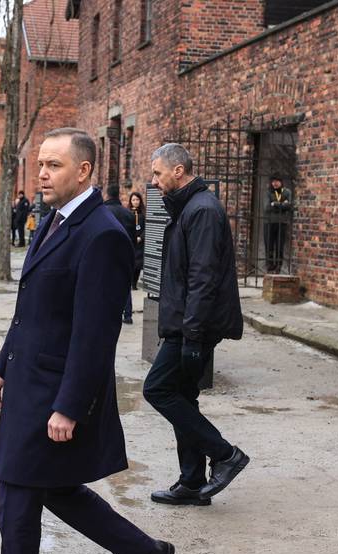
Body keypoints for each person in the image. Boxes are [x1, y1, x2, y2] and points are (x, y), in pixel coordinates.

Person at [0, 128, 173, 554]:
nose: (43, 174)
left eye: (54, 165)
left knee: (16, 491)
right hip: (26, 382)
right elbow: (29, 306)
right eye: (41, 165)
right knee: (53, 490)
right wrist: (2, 365)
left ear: (85, 171)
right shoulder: (52, 221)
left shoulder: (103, 234)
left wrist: (70, 406)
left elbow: (94, 335)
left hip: (55, 394)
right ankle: (143, 552)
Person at [143, 143, 248, 507]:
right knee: (183, 397)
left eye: (157, 173)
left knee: (157, 390)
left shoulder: (202, 210)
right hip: (185, 323)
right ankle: (191, 481)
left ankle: (225, 454)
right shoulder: (187, 207)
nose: (153, 182)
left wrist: (192, 334)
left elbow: (203, 277)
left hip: (192, 327)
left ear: (178, 171)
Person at [103, 185, 137, 325]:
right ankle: (127, 314)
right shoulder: (128, 213)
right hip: (125, 253)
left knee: (105, 285)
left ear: (107, 195)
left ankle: (108, 313)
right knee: (125, 286)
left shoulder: (103, 212)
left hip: (105, 254)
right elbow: (134, 237)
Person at [264, 175, 293, 273]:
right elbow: (267, 207)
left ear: (281, 182)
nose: (274, 183)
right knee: (269, 244)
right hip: (269, 222)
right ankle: (270, 265)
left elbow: (289, 206)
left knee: (280, 245)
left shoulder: (287, 192)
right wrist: (282, 204)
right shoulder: (268, 192)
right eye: (273, 181)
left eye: (276, 181)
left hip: (282, 222)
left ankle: (278, 265)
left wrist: (275, 203)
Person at [128, 191, 146, 290]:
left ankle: (134, 284)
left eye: (137, 200)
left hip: (139, 243)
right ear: (131, 201)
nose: (136, 202)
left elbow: (146, 228)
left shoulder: (143, 214)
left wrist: (141, 237)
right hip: (131, 242)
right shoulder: (128, 213)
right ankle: (130, 282)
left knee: (138, 264)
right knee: (131, 263)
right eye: (134, 200)